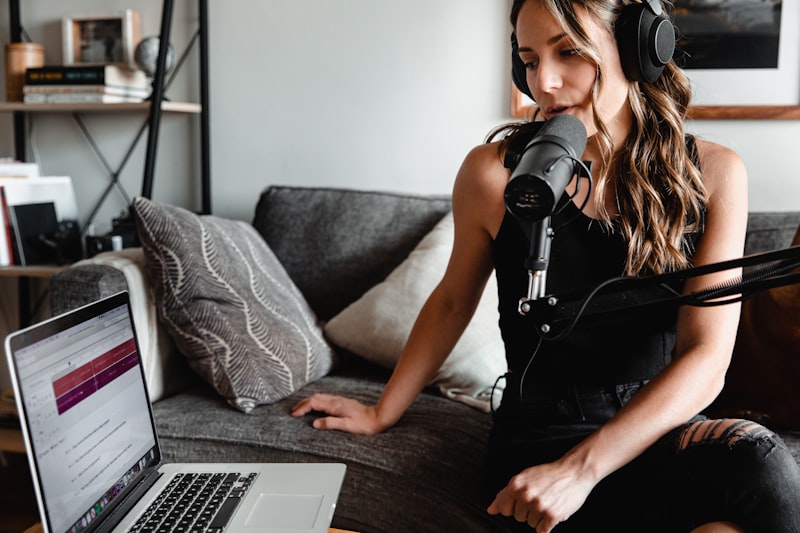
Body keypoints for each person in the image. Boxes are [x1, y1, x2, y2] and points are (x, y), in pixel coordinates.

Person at [292, 0, 800, 531]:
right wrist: (382, 411)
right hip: (538, 435)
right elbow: (451, 300)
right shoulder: (492, 174)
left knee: (760, 465)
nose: (546, 82)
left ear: (637, 49)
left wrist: (579, 473)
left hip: (655, 428)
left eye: (569, 53)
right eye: (530, 60)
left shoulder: (716, 174)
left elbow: (707, 358)